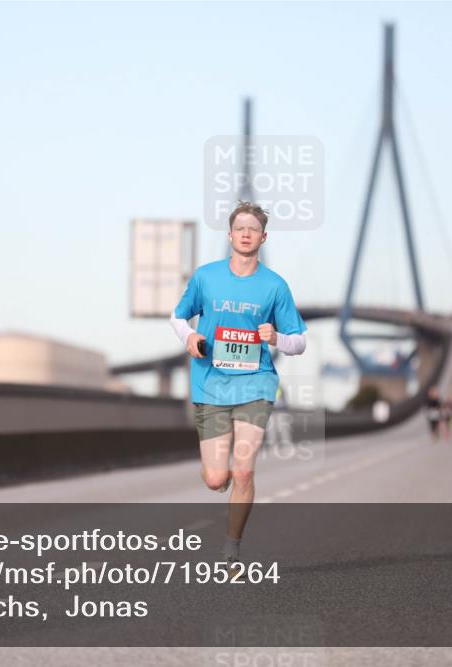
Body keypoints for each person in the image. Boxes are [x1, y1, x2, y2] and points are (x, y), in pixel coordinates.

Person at [169, 200, 307, 572]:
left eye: (253, 228)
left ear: (263, 237)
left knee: (243, 472)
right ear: (230, 235)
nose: (246, 233)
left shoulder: (275, 286)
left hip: (256, 386)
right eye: (240, 227)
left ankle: (232, 549)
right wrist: (190, 336)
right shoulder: (206, 277)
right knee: (216, 479)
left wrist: (277, 337)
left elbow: (300, 341)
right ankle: (220, 478)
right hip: (211, 385)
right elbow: (177, 317)